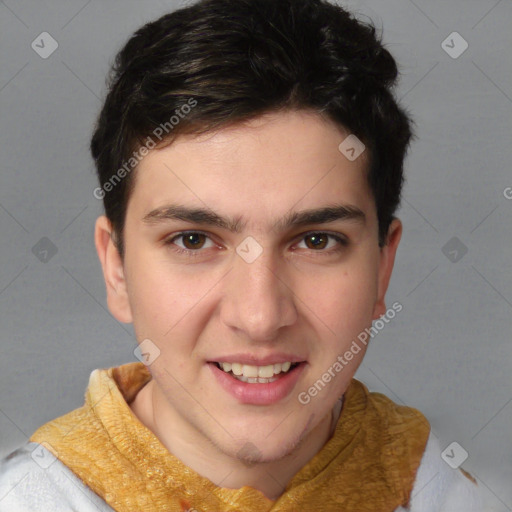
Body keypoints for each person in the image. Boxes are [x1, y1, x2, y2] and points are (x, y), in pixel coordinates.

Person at [0, 0, 483, 510]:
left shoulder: (447, 491)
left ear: (382, 269)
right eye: (193, 240)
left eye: (316, 240)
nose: (259, 318)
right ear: (116, 268)